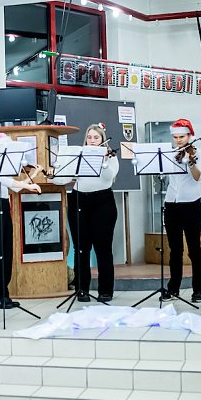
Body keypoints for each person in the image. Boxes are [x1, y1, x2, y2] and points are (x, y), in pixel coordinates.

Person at [51, 123, 119, 303]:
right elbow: (62, 179)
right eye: (89, 137)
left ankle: (106, 291)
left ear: (103, 140)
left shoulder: (110, 156)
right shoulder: (79, 155)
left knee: (103, 249)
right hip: (79, 200)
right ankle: (82, 289)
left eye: (96, 138)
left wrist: (104, 162)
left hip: (103, 202)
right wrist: (53, 174)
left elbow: (108, 178)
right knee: (81, 248)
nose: (92, 141)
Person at [0, 131, 41, 308]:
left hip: (4, 208)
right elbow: (7, 182)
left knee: (6, 253)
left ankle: (4, 294)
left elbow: (15, 188)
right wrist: (29, 184)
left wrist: (33, 175)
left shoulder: (0, 167)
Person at [161, 119, 201, 303]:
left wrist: (191, 163)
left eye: (182, 137)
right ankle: (173, 288)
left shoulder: (197, 152)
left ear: (189, 136)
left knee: (194, 248)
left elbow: (197, 177)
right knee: (174, 250)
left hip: (191, 204)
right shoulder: (169, 153)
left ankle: (198, 290)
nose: (178, 140)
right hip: (171, 203)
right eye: (175, 137)